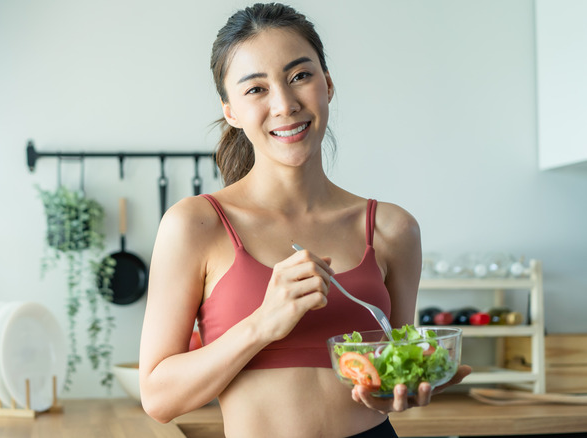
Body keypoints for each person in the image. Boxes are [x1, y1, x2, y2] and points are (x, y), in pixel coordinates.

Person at [139, 3, 471, 437]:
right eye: (256, 89)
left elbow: (395, 367)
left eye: (300, 76)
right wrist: (263, 323)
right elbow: (159, 399)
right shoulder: (196, 225)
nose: (284, 104)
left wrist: (401, 387)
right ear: (231, 111)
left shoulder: (392, 229)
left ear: (327, 85)